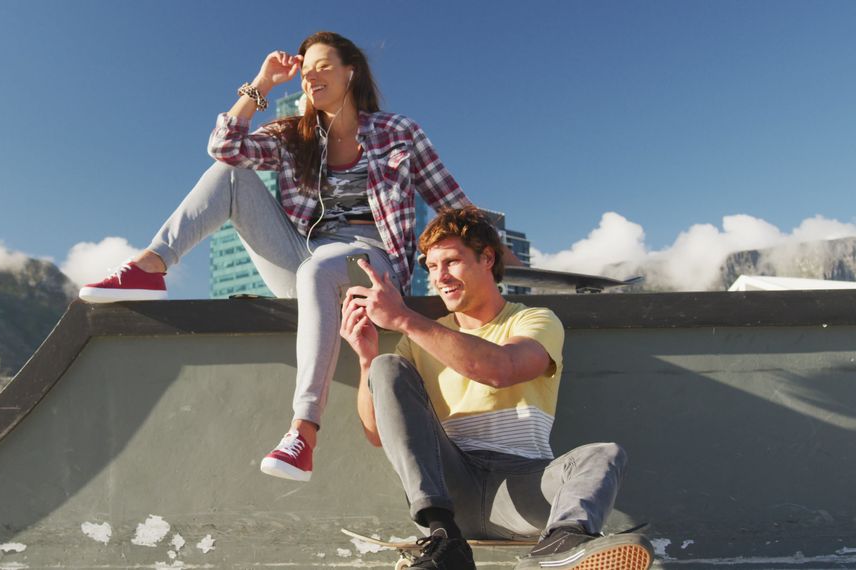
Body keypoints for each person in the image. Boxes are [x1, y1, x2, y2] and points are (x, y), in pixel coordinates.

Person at [78, 32, 501, 482]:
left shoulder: (398, 133)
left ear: (349, 72)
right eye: (306, 72)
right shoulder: (292, 135)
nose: (310, 77)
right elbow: (225, 148)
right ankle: (151, 266)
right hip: (303, 260)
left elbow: (453, 203)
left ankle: (303, 431)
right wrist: (261, 83)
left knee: (320, 267)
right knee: (231, 175)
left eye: (322, 66)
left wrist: (496, 256)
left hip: (370, 262)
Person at [340, 207, 652, 570]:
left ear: (487, 257)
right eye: (432, 266)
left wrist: (404, 318)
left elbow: (501, 369)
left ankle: (561, 547)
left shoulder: (533, 319)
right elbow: (379, 433)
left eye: (452, 262)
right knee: (385, 365)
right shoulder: (417, 340)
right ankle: (444, 541)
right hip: (450, 489)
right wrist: (366, 360)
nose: (440, 276)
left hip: (523, 490)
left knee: (603, 455)